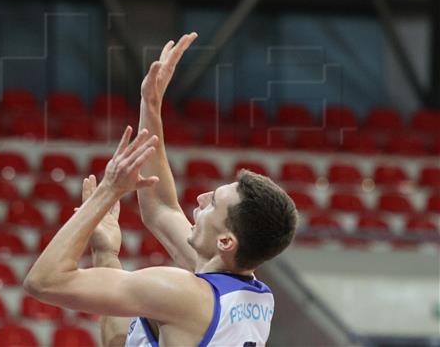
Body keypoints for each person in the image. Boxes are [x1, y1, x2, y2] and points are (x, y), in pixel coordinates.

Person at [24, 33, 298, 347]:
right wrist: (151, 106)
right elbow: (161, 208)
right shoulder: (251, 297)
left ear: (226, 241)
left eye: (213, 204)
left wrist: (108, 191)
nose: (200, 198)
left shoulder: (181, 293)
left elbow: (43, 282)